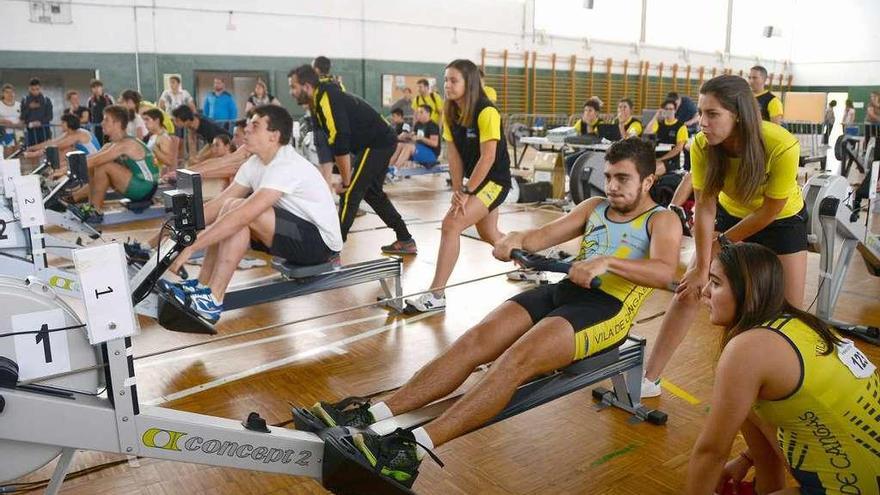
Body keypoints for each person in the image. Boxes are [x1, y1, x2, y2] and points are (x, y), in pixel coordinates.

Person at [297, 138, 682, 488]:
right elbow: (542, 235)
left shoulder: (660, 219)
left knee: (515, 361)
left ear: (648, 181)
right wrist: (513, 240)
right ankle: (371, 415)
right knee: (475, 341)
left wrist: (607, 263)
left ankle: (409, 451)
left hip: (606, 310)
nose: (612, 186)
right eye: (609, 176)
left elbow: (665, 271)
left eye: (623, 179)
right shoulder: (595, 207)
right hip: (566, 291)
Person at [641, 75, 808, 398]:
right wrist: (702, 263)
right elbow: (704, 205)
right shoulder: (703, 145)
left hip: (782, 220)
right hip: (730, 213)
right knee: (691, 287)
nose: (702, 122)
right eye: (701, 113)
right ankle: (649, 378)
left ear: (739, 115)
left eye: (712, 114)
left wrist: (721, 244)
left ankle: (790, 388)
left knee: (789, 314)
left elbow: (770, 211)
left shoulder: (781, 144)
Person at [685, 242, 880, 495]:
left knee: (742, 399)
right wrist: (746, 458)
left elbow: (711, 451)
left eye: (716, 283)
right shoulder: (801, 323)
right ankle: (768, 486)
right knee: (744, 403)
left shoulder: (747, 348)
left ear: (750, 290)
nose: (705, 292)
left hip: (856, 485)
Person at [165, 106, 343, 323]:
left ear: (274, 136)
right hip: (290, 232)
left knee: (244, 212)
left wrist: (191, 246)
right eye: (248, 125)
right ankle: (203, 287)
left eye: (255, 126)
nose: (246, 130)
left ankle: (213, 299)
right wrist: (178, 234)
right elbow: (220, 204)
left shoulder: (285, 164)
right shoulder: (255, 163)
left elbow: (246, 213)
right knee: (231, 205)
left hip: (320, 245)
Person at [404, 59, 512, 312]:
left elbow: (488, 158)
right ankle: (534, 261)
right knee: (490, 235)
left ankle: (436, 295)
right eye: (446, 80)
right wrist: (456, 188)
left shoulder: (487, 111)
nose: (447, 85)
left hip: (494, 181)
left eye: (454, 80)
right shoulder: (450, 111)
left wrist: (466, 191)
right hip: (474, 182)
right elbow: (453, 155)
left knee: (451, 224)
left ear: (469, 83)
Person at [289, 64, 417, 255]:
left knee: (350, 193)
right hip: (375, 142)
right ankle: (405, 239)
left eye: (293, 87)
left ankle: (331, 249)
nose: (291, 92)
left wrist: (346, 180)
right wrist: (341, 175)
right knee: (372, 194)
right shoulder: (318, 100)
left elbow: (341, 140)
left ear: (307, 86)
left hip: (377, 142)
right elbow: (332, 142)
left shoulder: (326, 98)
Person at [69, 105, 159, 224]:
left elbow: (96, 161)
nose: (102, 123)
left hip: (146, 187)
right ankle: (89, 205)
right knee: (95, 166)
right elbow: (90, 159)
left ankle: (95, 211)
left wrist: (64, 169)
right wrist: (63, 166)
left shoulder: (127, 144)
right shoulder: (112, 145)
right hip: (137, 184)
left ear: (117, 123)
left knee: (103, 165)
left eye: (106, 120)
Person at [24, 113, 101, 160]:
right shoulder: (70, 132)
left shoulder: (78, 134)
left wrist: (34, 154)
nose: (61, 124)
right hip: (87, 157)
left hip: (95, 159)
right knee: (66, 150)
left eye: (63, 122)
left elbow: (55, 147)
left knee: (65, 150)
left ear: (69, 123)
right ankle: (55, 172)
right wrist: (31, 148)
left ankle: (55, 173)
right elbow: (51, 142)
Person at [647, 98, 689, 176]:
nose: (669, 111)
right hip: (657, 158)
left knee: (651, 171)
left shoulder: (681, 127)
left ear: (675, 111)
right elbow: (648, 131)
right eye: (666, 109)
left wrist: (662, 159)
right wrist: (656, 115)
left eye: (671, 109)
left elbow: (678, 148)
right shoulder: (660, 124)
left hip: (671, 161)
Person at [564, 99, 603, 175]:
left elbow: (591, 137)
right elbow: (571, 133)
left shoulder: (601, 123)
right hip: (584, 152)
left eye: (590, 110)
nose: (587, 113)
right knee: (568, 161)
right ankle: (573, 181)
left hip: (597, 153)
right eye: (585, 110)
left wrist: (588, 124)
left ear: (596, 113)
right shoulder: (581, 122)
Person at [143, 108, 178, 177]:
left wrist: (155, 149)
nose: (145, 123)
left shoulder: (163, 138)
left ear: (157, 121)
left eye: (147, 119)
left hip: (159, 178)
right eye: (144, 120)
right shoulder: (153, 135)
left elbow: (169, 161)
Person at [20, 78, 53, 147]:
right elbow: (22, 117)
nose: (35, 91)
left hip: (45, 131)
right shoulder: (25, 100)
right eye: (33, 89)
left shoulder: (46, 100)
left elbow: (50, 116)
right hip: (30, 132)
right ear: (29, 88)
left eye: (37, 89)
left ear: (40, 88)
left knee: (46, 151)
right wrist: (29, 107)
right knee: (31, 151)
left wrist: (40, 122)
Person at [87, 79, 114, 144]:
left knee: (109, 143)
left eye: (98, 87)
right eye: (94, 87)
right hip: (96, 127)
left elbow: (113, 112)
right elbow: (89, 114)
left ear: (101, 87)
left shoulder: (108, 98)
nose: (96, 89)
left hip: (108, 125)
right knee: (98, 143)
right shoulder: (90, 100)